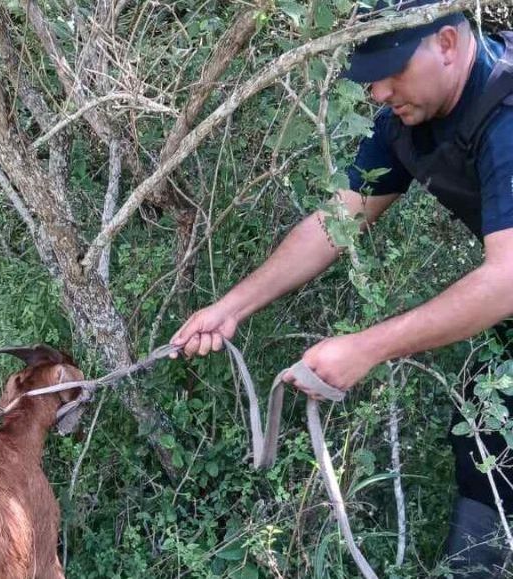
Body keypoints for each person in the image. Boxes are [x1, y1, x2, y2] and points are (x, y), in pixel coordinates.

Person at [171, 1, 513, 576]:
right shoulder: (411, 119)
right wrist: (230, 308)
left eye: (392, 69)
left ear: (449, 44)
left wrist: (366, 346)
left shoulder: (506, 116)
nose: (378, 92)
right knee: (487, 439)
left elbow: (506, 280)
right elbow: (336, 222)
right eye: (370, 77)